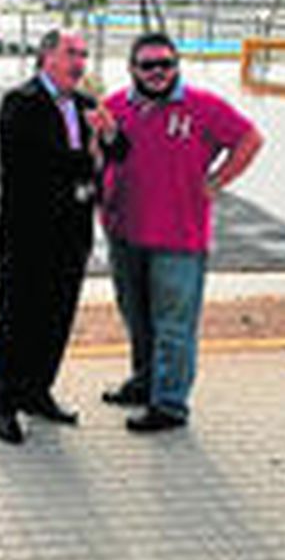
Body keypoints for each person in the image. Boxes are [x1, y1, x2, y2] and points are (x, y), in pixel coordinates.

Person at [101, 32, 264, 433]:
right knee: (136, 318)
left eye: (165, 64)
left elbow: (250, 139)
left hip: (178, 239)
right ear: (132, 69)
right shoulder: (115, 106)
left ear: (176, 66)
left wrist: (216, 182)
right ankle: (144, 383)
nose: (158, 72)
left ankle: (170, 404)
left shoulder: (203, 107)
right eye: (148, 65)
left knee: (173, 325)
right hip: (125, 233)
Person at [0, 29, 120, 446]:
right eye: (70, 53)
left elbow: (121, 152)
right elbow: (36, 163)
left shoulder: (85, 104)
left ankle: (37, 392)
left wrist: (110, 135)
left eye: (83, 54)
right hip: (27, 235)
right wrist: (92, 153)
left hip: (72, 234)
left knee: (56, 319)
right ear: (47, 56)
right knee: (16, 321)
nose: (79, 62)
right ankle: (4, 404)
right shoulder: (20, 102)